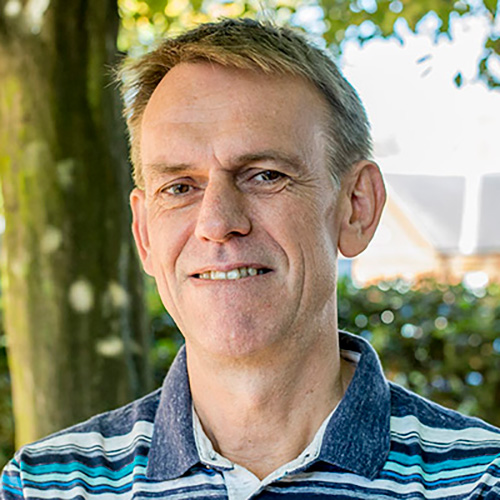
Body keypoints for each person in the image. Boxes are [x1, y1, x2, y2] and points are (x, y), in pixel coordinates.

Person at [2, 18, 500, 500]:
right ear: (145, 232)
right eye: (179, 187)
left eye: (265, 175)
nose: (217, 222)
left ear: (356, 207)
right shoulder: (45, 486)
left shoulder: (481, 481)